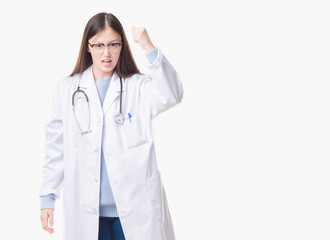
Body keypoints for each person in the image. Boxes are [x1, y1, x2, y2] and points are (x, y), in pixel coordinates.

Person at [39, 12, 183, 240]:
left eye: (113, 44)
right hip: (88, 213)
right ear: (87, 47)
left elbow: (172, 94)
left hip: (135, 209)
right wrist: (48, 196)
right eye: (98, 45)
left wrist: (148, 47)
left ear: (122, 46)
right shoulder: (67, 90)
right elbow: (55, 148)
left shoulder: (138, 87)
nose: (106, 52)